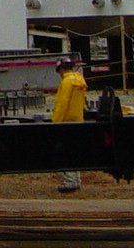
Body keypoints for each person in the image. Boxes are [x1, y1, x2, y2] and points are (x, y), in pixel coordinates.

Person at [51, 55, 87, 193]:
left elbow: (62, 104)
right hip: (78, 121)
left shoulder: (66, 82)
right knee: (74, 151)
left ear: (61, 69)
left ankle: (70, 182)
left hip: (65, 123)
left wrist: (55, 122)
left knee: (66, 152)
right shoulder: (80, 80)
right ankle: (76, 180)